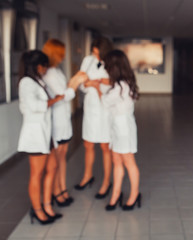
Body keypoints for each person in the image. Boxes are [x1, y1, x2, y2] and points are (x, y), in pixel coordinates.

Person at [17, 50, 64, 224]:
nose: (46, 70)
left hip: (46, 133)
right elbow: (34, 105)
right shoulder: (26, 83)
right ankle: (37, 210)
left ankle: (47, 205)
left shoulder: (37, 81)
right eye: (45, 66)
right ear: (38, 66)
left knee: (52, 167)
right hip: (35, 134)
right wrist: (56, 100)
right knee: (36, 174)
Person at [42, 39, 88, 208]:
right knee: (56, 159)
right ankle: (56, 191)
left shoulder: (56, 71)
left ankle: (62, 188)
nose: (63, 57)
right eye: (61, 53)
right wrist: (74, 84)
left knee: (62, 158)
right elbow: (64, 95)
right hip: (56, 121)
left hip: (63, 119)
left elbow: (65, 90)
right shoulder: (48, 73)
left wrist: (73, 83)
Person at [94, 49, 141, 211]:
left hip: (124, 128)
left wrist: (97, 87)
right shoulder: (122, 84)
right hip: (116, 126)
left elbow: (105, 102)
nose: (106, 69)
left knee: (129, 162)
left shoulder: (121, 86)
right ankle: (116, 194)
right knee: (117, 162)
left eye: (108, 66)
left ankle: (134, 195)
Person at [75, 36, 113, 199]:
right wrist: (89, 83)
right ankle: (87, 176)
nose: (96, 57)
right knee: (88, 144)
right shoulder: (87, 60)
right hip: (91, 106)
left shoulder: (112, 61)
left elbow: (113, 82)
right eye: (94, 53)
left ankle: (106, 182)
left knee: (105, 146)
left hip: (106, 107)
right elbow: (81, 82)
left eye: (98, 54)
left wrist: (95, 81)